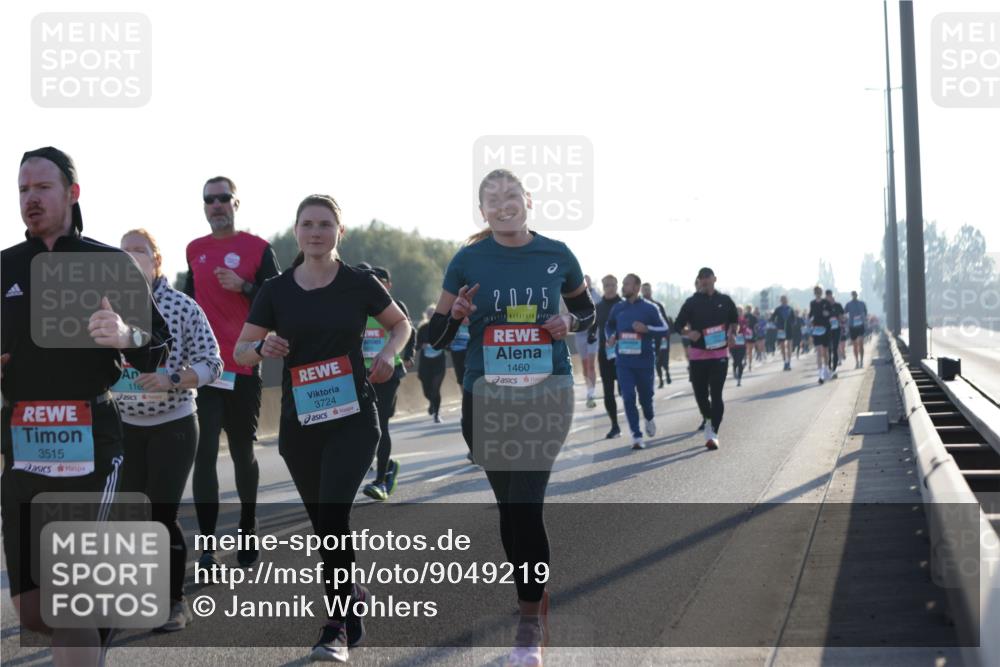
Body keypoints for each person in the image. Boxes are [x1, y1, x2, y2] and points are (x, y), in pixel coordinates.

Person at [3, 147, 171, 665]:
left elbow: (158, 344)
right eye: (23, 189)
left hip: (90, 445)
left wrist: (124, 333)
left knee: (68, 602)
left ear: (72, 194)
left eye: (42, 188)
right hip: (23, 446)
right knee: (33, 612)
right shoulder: (6, 266)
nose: (31, 199)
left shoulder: (108, 263)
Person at [233, 194, 411, 662]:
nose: (316, 232)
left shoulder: (359, 283)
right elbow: (239, 352)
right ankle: (350, 588)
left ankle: (336, 625)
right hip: (301, 422)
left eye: (325, 224)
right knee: (324, 525)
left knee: (333, 514)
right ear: (296, 231)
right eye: (308, 224)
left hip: (354, 417)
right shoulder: (275, 290)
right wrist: (263, 346)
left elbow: (401, 325)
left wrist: (388, 355)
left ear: (339, 232)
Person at [428, 168, 594, 666]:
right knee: (509, 510)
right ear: (483, 212)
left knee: (526, 504)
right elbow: (433, 340)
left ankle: (527, 628)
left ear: (528, 200)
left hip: (549, 390)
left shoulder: (557, 255)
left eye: (511, 196)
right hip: (487, 395)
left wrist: (568, 320)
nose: (503, 206)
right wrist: (455, 315)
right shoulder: (467, 260)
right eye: (492, 200)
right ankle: (534, 600)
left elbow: (587, 314)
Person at [117, 229, 223, 632]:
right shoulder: (106, 307)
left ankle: (174, 600)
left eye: (138, 251)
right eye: (122, 251)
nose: (129, 257)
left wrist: (173, 378)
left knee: (162, 513)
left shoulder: (181, 307)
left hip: (173, 422)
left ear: (156, 261)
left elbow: (213, 363)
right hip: (124, 424)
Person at [183, 176, 281, 569]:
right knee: (204, 455)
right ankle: (207, 546)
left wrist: (244, 286)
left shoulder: (258, 249)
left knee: (242, 453)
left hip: (244, 366)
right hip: (205, 371)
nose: (217, 205)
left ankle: (246, 525)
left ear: (236, 203)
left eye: (224, 198)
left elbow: (278, 302)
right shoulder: (195, 250)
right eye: (210, 200)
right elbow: (184, 306)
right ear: (204, 207)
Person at [360, 266, 416, 501]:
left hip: (388, 373)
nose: (376, 285)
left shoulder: (394, 306)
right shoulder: (357, 306)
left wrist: (406, 354)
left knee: (380, 425)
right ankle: (387, 464)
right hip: (360, 374)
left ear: (388, 284)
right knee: (361, 429)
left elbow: (409, 331)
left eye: (380, 281)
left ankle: (382, 480)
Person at [674, 268, 738, 450]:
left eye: (707, 278)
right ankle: (708, 417)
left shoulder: (725, 301)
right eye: (701, 278)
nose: (704, 281)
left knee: (716, 394)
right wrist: (688, 332)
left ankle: (713, 432)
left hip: (719, 354)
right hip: (698, 356)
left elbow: (734, 321)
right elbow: (677, 325)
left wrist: (733, 334)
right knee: (701, 395)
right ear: (698, 281)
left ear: (714, 279)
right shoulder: (692, 302)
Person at [605, 274, 668, 449]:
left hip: (645, 361)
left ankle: (649, 417)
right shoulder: (618, 308)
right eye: (623, 284)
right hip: (623, 361)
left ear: (637, 287)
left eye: (626, 284)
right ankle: (636, 435)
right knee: (628, 397)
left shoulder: (650, 308)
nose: (623, 287)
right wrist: (610, 336)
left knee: (646, 398)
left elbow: (665, 329)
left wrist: (646, 329)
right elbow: (609, 325)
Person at [595, 274, 623, 438]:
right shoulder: (598, 307)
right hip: (604, 353)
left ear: (617, 285)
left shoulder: (624, 305)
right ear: (603, 287)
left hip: (623, 352)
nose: (610, 288)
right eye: (606, 285)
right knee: (607, 391)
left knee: (624, 389)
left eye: (612, 285)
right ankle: (614, 425)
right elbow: (593, 327)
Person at [573, 274, 601, 408]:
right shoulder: (573, 296)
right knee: (585, 366)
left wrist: (594, 331)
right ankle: (588, 388)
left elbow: (600, 315)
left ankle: (591, 393)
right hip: (579, 335)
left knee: (591, 364)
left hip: (593, 334)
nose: (585, 284)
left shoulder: (596, 296)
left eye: (587, 281)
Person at [416, 306, 448, 423]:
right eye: (429, 313)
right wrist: (421, 345)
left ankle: (437, 413)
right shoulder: (422, 328)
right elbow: (416, 345)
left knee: (435, 389)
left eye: (434, 313)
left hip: (439, 362)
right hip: (426, 363)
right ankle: (432, 402)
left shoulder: (443, 327)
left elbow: (448, 344)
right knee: (426, 390)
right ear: (426, 315)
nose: (431, 315)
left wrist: (443, 345)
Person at [641, 282, 672, 387]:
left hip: (661, 337)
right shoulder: (639, 306)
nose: (646, 292)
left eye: (647, 290)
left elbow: (665, 323)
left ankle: (667, 371)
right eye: (644, 290)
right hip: (649, 338)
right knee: (656, 360)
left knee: (664, 357)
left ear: (651, 291)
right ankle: (660, 380)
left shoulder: (657, 306)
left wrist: (666, 335)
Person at [808, 286, 833, 384]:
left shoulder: (826, 303)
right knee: (819, 352)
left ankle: (826, 369)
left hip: (825, 328)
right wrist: (809, 319)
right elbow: (811, 314)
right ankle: (820, 375)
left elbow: (831, 312)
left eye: (819, 291)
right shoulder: (812, 303)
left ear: (821, 292)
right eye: (816, 292)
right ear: (814, 293)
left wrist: (828, 313)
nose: (818, 293)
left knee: (825, 352)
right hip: (816, 329)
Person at [770, 295, 795, 371]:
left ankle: (789, 362)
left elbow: (794, 319)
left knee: (789, 346)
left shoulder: (790, 309)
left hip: (789, 329)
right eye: (782, 299)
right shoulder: (778, 309)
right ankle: (785, 362)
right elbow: (772, 318)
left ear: (787, 300)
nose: (784, 301)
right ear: (780, 301)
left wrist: (791, 323)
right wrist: (776, 325)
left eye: (785, 299)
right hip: (781, 329)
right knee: (782, 346)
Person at [825, 289, 844, 379]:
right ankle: (829, 367)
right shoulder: (824, 306)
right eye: (827, 296)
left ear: (832, 296)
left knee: (835, 349)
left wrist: (839, 319)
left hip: (836, 329)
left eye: (830, 296)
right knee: (828, 349)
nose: (829, 298)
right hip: (827, 330)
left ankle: (834, 369)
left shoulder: (838, 305)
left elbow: (842, 317)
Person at [730, 306, 751, 387]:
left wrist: (747, 333)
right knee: (736, 361)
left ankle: (739, 379)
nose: (738, 313)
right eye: (737, 311)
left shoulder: (745, 321)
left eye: (740, 311)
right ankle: (734, 368)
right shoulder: (731, 321)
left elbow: (747, 330)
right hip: (733, 345)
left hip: (742, 344)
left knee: (740, 362)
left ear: (742, 313)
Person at [449, 316, 471, 387]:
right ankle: (464, 396)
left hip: (469, 353)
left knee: (470, 373)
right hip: (457, 353)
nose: (465, 320)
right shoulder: (455, 327)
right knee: (461, 375)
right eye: (463, 318)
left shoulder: (473, 327)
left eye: (467, 318)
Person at [744, 304, 758, 374]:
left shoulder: (753, 317)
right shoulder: (744, 316)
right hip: (747, 335)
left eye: (749, 308)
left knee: (749, 350)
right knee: (748, 350)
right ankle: (747, 362)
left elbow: (756, 327)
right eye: (748, 308)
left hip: (750, 335)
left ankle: (749, 363)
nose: (749, 309)